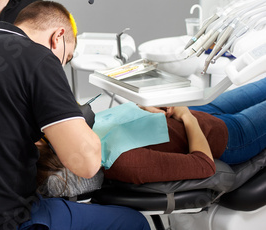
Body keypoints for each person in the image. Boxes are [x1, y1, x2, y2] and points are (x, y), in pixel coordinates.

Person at [0, 0, 150, 230]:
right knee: (134, 221)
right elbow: (85, 165)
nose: (61, 66)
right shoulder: (40, 58)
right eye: (65, 59)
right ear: (58, 38)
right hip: (2, 221)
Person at [38, 77, 266, 193]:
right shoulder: (124, 164)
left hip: (204, 112)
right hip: (230, 136)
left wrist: (146, 108)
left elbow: (132, 125)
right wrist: (187, 118)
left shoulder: (88, 134)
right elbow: (204, 165)